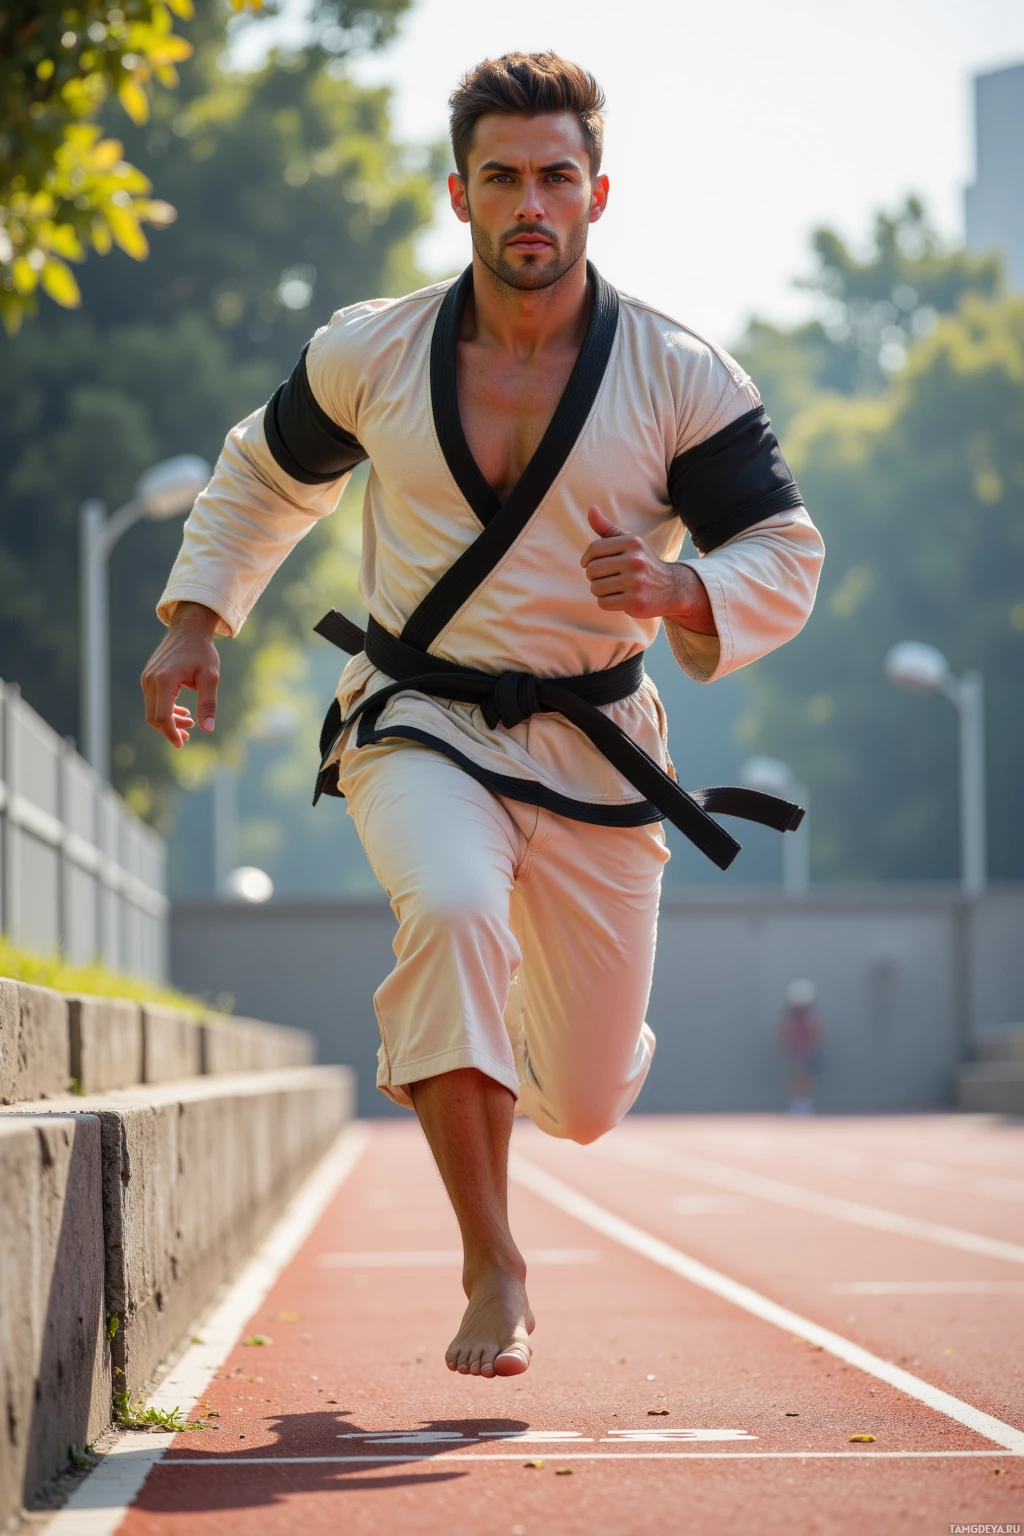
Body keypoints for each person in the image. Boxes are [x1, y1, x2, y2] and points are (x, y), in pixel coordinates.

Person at [142, 52, 824, 1381]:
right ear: (459, 191)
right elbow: (262, 477)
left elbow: (785, 552)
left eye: (556, 177)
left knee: (579, 1098)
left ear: (598, 192)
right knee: (450, 911)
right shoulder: (374, 350)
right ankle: (491, 1263)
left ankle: (526, 1034)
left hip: (600, 743)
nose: (531, 203)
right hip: (420, 718)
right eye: (503, 176)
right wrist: (193, 621)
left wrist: (687, 584)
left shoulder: (680, 377)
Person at [779, 978, 825, 1114]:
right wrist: (785, 1046)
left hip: (808, 1051)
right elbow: (783, 1032)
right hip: (794, 1051)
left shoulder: (811, 1017)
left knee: (806, 1077)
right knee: (795, 1077)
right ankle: (796, 1103)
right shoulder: (789, 1018)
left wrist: (818, 1047)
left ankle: (806, 1103)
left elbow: (818, 1032)